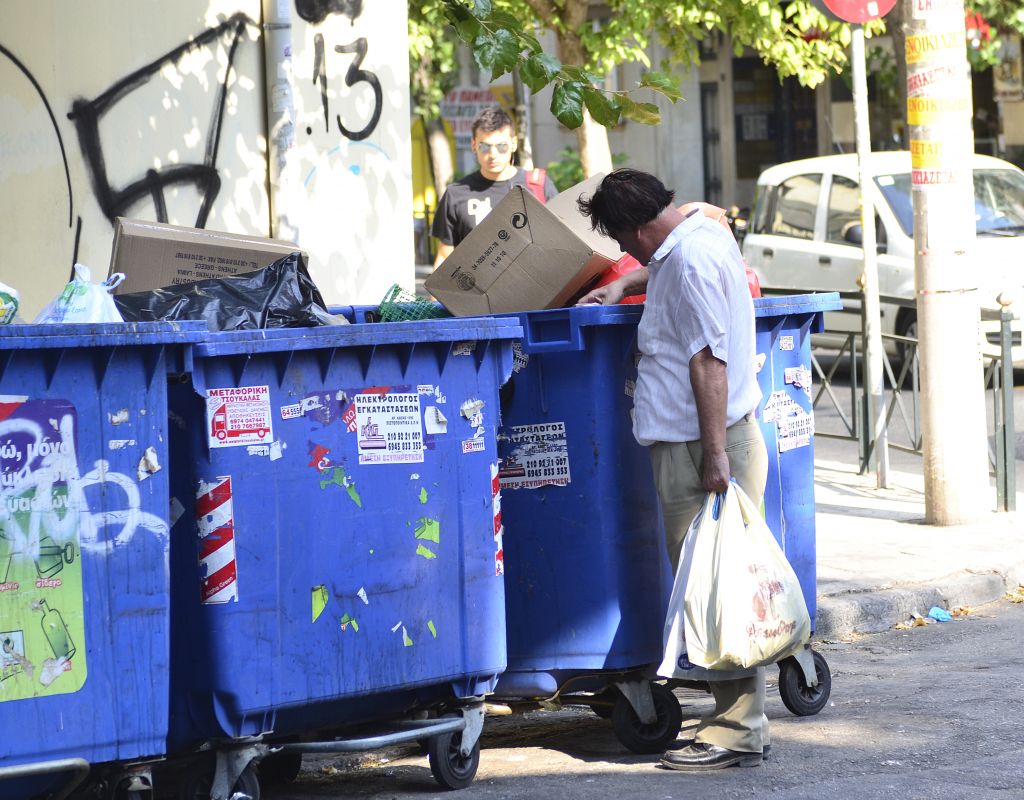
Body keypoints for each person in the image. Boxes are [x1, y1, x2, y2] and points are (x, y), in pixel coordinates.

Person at [576, 169, 770, 772]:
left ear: (636, 228)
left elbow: (708, 362)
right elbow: (672, 249)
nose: (626, 253)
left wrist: (714, 458)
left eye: (623, 241)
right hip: (708, 440)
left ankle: (734, 732)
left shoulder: (685, 264)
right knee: (715, 584)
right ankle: (735, 723)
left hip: (701, 446)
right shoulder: (701, 233)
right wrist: (627, 284)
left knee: (714, 591)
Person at [431, 106, 557, 267]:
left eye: (501, 146)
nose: (493, 155)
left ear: (513, 144)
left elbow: (559, 244)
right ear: (473, 145)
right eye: (485, 146)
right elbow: (444, 257)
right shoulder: (456, 194)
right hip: (476, 289)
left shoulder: (538, 186)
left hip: (535, 286)